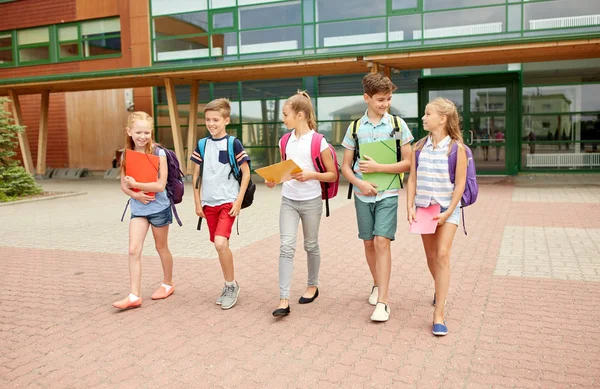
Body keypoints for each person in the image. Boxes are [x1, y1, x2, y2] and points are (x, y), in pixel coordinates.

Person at [341, 73, 413, 322]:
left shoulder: (397, 125)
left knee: (382, 241)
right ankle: (376, 283)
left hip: (388, 194)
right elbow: (346, 167)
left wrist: (379, 168)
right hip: (362, 195)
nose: (385, 104)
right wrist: (360, 182)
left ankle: (383, 301)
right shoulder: (354, 128)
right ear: (367, 98)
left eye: (388, 99)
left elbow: (407, 163)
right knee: (369, 243)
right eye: (380, 99)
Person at [266, 91, 337, 317]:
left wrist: (311, 175)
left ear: (300, 115)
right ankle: (283, 299)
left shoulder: (319, 142)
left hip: (311, 201)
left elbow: (333, 175)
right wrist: (273, 180)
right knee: (286, 247)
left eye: (285, 115)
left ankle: (312, 285)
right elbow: (285, 171)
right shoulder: (284, 140)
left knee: (311, 245)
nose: (283, 119)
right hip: (288, 200)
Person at [406, 97, 467, 336]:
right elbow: (412, 179)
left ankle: (439, 313)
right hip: (424, 208)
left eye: (428, 114)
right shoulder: (418, 147)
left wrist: (450, 211)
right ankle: (439, 288)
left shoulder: (456, 148)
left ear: (442, 119)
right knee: (431, 257)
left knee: (442, 254)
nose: (423, 117)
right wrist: (409, 205)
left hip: (447, 208)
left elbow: (460, 183)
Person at [191, 98, 251, 310]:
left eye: (216, 119)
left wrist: (238, 200)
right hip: (209, 204)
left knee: (220, 243)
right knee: (218, 246)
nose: (211, 123)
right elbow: (195, 175)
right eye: (208, 119)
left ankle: (230, 285)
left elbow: (246, 172)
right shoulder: (202, 144)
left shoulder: (233, 143)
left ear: (226, 120)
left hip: (228, 202)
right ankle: (230, 283)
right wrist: (198, 203)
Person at [113, 112, 174, 310]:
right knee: (133, 250)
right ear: (129, 132)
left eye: (147, 132)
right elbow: (124, 186)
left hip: (159, 208)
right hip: (139, 208)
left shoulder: (159, 153)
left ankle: (167, 283)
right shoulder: (125, 154)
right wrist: (137, 195)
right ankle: (134, 295)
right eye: (138, 132)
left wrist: (137, 184)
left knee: (161, 247)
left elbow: (160, 185)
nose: (143, 136)